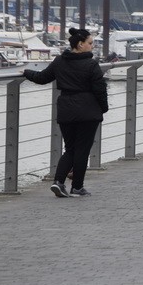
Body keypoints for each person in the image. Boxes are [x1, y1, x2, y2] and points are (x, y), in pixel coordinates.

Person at [23, 27, 109, 197]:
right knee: (82, 150)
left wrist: (26, 72)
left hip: (66, 109)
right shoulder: (92, 64)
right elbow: (100, 90)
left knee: (70, 148)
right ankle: (77, 187)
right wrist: (103, 108)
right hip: (87, 111)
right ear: (80, 44)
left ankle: (58, 182)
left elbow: (42, 78)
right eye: (90, 43)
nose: (92, 46)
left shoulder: (59, 61)